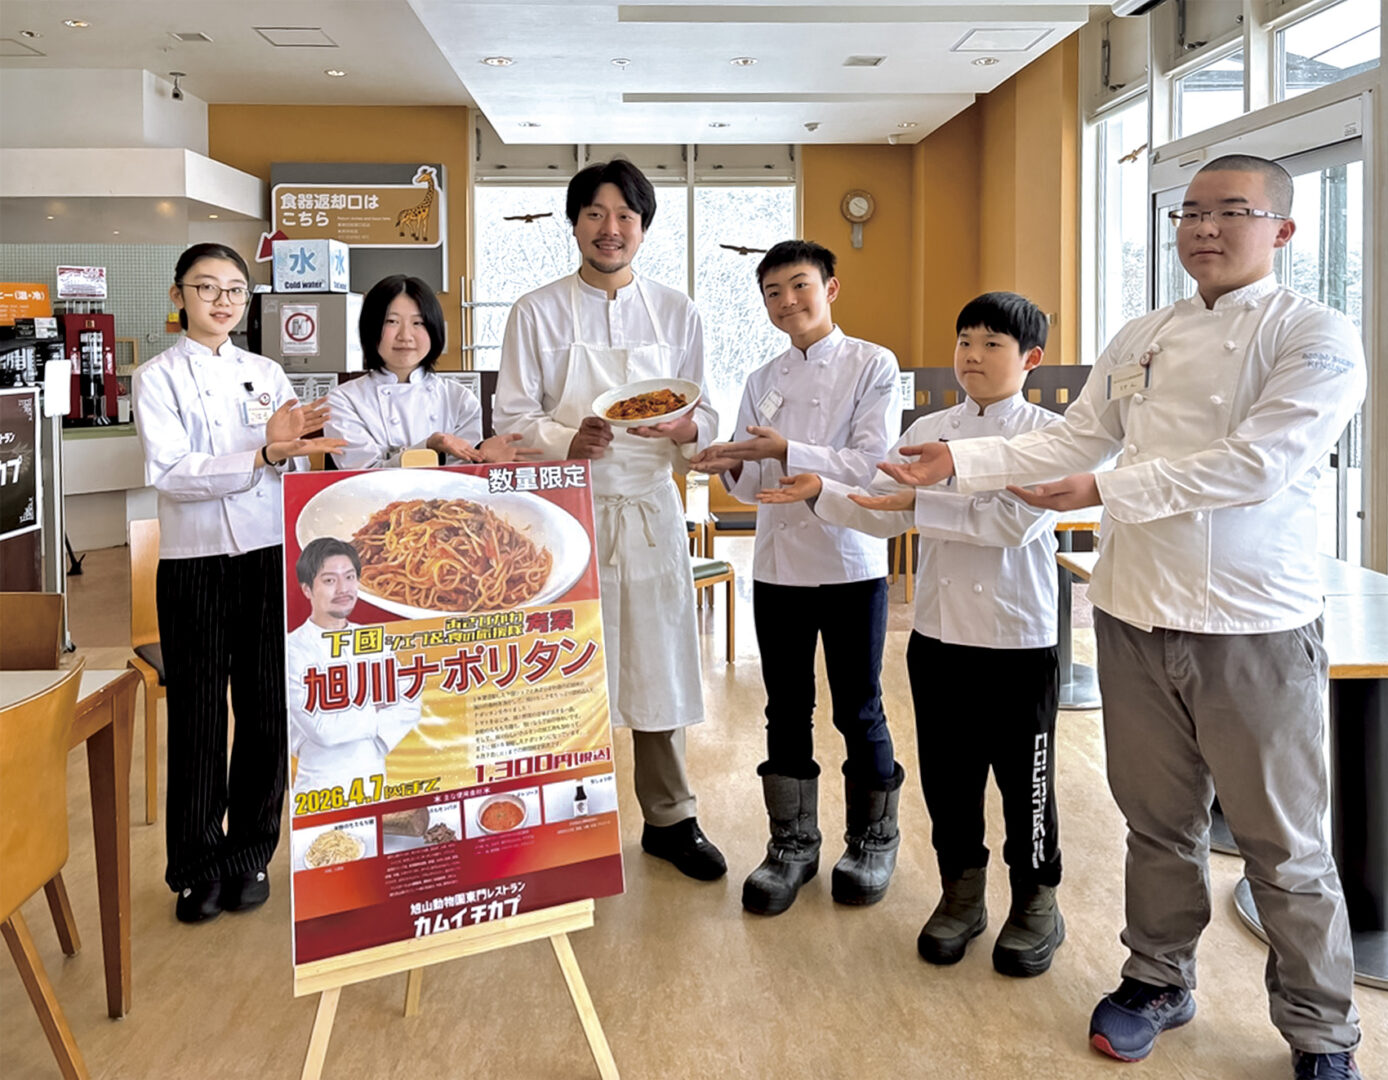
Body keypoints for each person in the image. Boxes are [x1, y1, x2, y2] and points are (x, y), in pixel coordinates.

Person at [876, 156, 1367, 1079]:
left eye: (1231, 212)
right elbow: (1076, 436)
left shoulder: (1316, 333)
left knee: (1284, 844)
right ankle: (1157, 978)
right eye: (1190, 212)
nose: (1205, 228)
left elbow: (1257, 463)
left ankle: (1320, 1029)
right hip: (1133, 614)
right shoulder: (1144, 335)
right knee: (1157, 822)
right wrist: (963, 462)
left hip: (1253, 623)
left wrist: (1103, 489)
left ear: (1283, 230)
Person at [756, 291, 1068, 972]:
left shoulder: (1046, 435)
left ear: (1030, 359)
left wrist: (921, 503)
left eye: (992, 344)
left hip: (1018, 640)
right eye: (965, 342)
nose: (973, 356)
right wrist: (823, 492)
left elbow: (1013, 524)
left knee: (1027, 784)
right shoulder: (929, 427)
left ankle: (1036, 899)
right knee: (949, 781)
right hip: (938, 638)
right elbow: (884, 511)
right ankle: (962, 895)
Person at [494, 158, 726, 881]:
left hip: (650, 507)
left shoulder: (678, 311)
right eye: (595, 213)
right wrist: (568, 439)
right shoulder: (535, 310)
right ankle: (563, 824)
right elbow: (511, 417)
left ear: (644, 228)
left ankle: (671, 818)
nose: (610, 228)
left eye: (625, 215)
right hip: (563, 509)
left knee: (658, 660)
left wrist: (686, 429)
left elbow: (707, 414)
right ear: (574, 224)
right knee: (562, 666)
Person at [132, 242, 346, 923]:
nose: (222, 301)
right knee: (197, 717)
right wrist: (262, 451)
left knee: (265, 711)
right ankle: (196, 865)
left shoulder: (266, 373)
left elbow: (293, 466)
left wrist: (292, 452)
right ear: (178, 296)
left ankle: (252, 851)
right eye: (206, 287)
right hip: (193, 562)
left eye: (234, 290)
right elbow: (171, 472)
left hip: (267, 556)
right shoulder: (156, 377)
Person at [690, 240, 903, 914]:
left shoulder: (873, 363)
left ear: (830, 288)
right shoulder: (762, 377)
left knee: (858, 705)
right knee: (784, 706)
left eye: (800, 285)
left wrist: (788, 449)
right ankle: (792, 843)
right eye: (773, 292)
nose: (787, 301)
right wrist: (726, 462)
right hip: (779, 566)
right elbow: (753, 483)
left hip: (849, 560)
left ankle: (873, 837)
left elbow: (872, 463)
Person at [325, 274, 534, 468]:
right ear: (370, 327)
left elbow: (462, 475)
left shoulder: (459, 398)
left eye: (418, 323)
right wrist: (429, 446)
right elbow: (361, 476)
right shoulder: (343, 401)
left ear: (434, 328)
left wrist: (482, 457)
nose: (405, 336)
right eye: (392, 322)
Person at [287, 538, 422, 794]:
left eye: (349, 577)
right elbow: (323, 730)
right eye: (329, 580)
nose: (343, 589)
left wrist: (361, 729)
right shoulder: (293, 648)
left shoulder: (372, 639)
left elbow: (410, 703)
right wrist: (376, 710)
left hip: (375, 779)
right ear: (307, 590)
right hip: (318, 786)